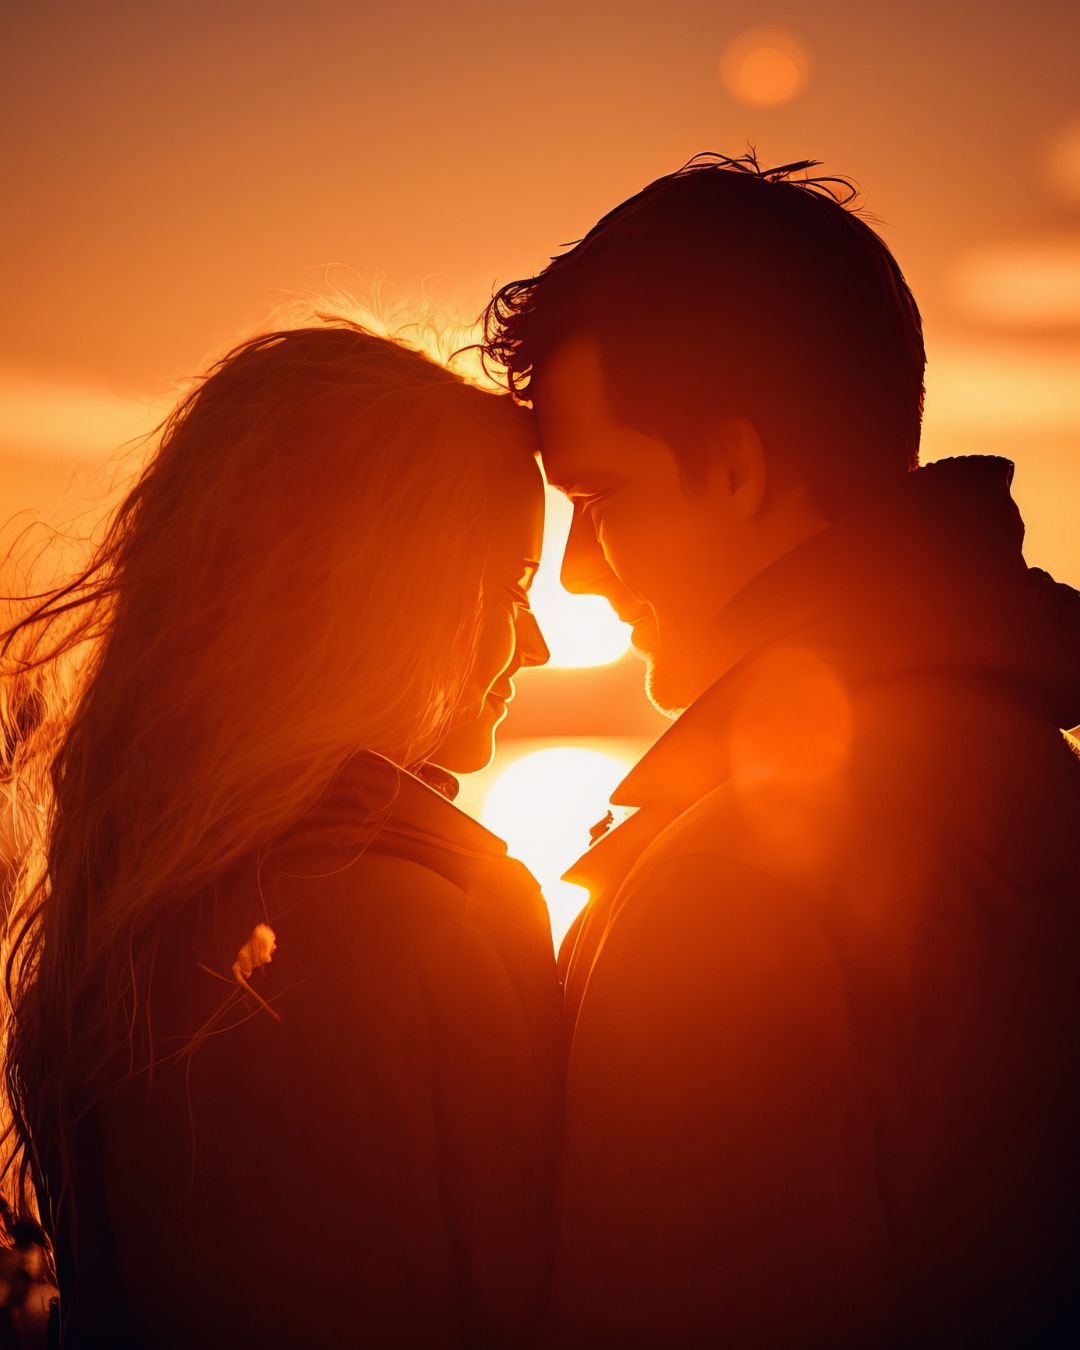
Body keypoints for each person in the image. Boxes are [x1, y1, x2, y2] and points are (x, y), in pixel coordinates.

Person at [481, 153, 1080, 1347]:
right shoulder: (1035, 785)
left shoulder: (741, 887)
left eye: (599, 500)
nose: (577, 572)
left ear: (740, 465)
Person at [1, 320, 561, 1348]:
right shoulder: (418, 926)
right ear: (378, 594)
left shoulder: (141, 908)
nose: (537, 642)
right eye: (511, 585)